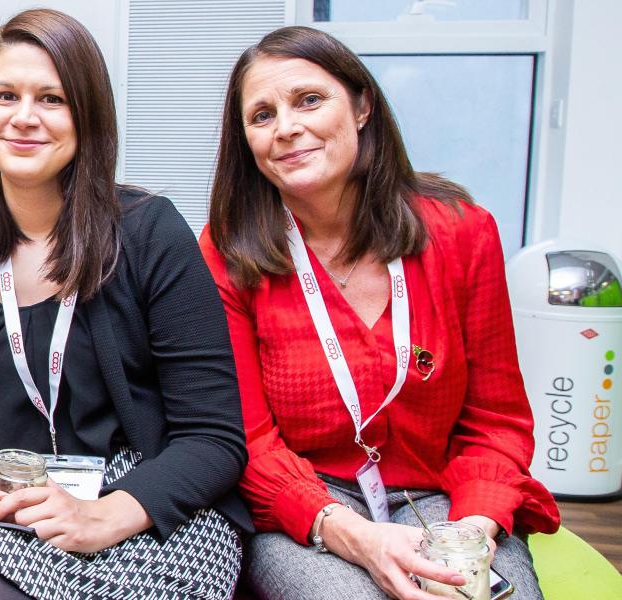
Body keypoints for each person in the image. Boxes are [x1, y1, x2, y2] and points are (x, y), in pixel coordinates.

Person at [0, 9, 249, 599]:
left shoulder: (150, 234)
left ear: (87, 115)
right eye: (6, 94)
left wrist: (106, 514)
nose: (24, 117)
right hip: (15, 512)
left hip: (151, 511)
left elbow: (213, 437)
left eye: (52, 99)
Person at [198, 26, 559, 600]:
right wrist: (356, 537)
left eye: (309, 100)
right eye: (261, 115)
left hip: (445, 493)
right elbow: (248, 439)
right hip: (310, 504)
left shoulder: (464, 233)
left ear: (362, 106)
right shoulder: (229, 252)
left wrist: (473, 526)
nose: (287, 127)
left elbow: (497, 421)